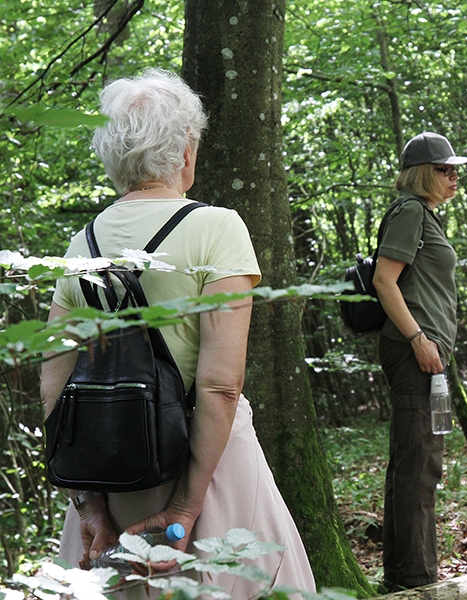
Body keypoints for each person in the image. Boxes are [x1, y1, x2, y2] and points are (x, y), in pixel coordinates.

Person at [40, 69, 316, 598]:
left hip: (114, 479)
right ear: (185, 149)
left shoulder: (80, 246)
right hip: (209, 475)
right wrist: (184, 511)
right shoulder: (217, 228)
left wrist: (89, 507)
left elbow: (54, 389)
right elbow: (219, 388)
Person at [372, 131, 467, 591]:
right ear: (420, 173)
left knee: (414, 462)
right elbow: (384, 280)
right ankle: (417, 582)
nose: (454, 177)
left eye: (456, 169)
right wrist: (418, 339)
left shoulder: (425, 215)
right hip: (415, 353)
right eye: (444, 169)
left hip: (426, 354)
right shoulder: (411, 211)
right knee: (420, 465)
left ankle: (404, 577)